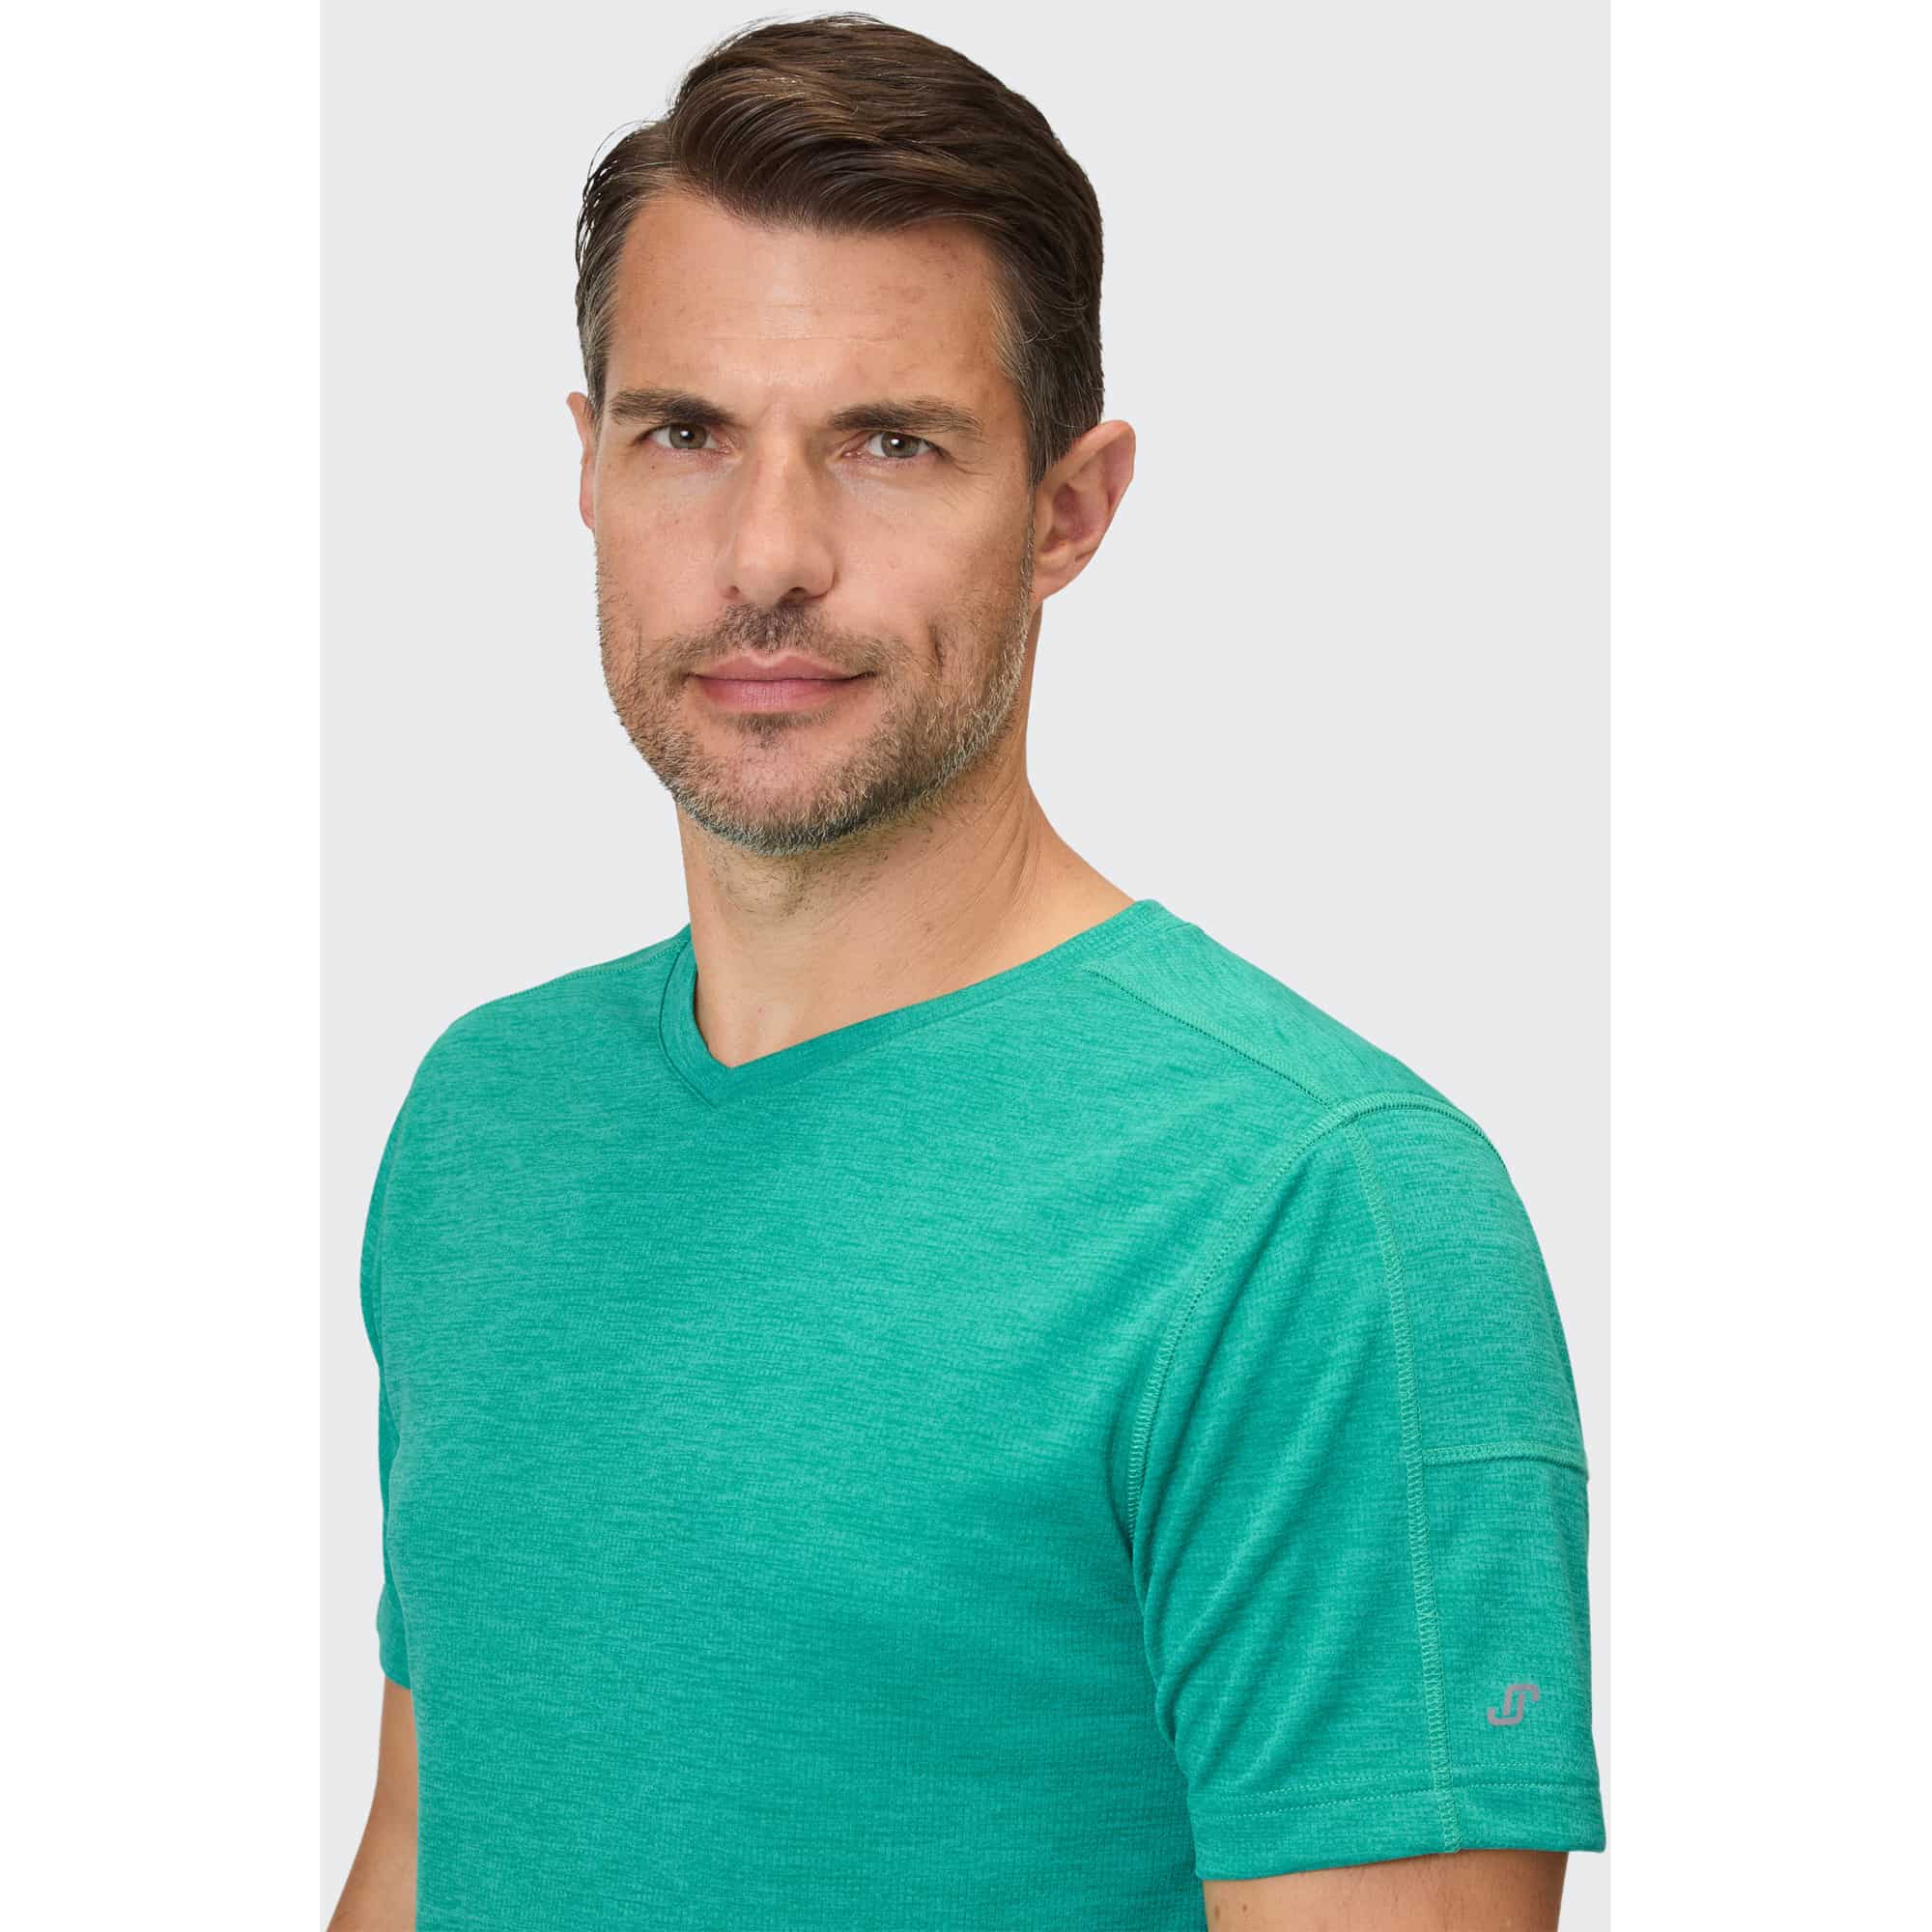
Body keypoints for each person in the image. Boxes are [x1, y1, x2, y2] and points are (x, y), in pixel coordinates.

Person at [330, 14, 1605, 1930]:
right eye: (687, 434)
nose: (769, 555)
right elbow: (431, 1851)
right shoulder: (488, 1118)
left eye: (890, 445)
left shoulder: (1313, 1206)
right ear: (586, 467)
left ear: (1067, 510)